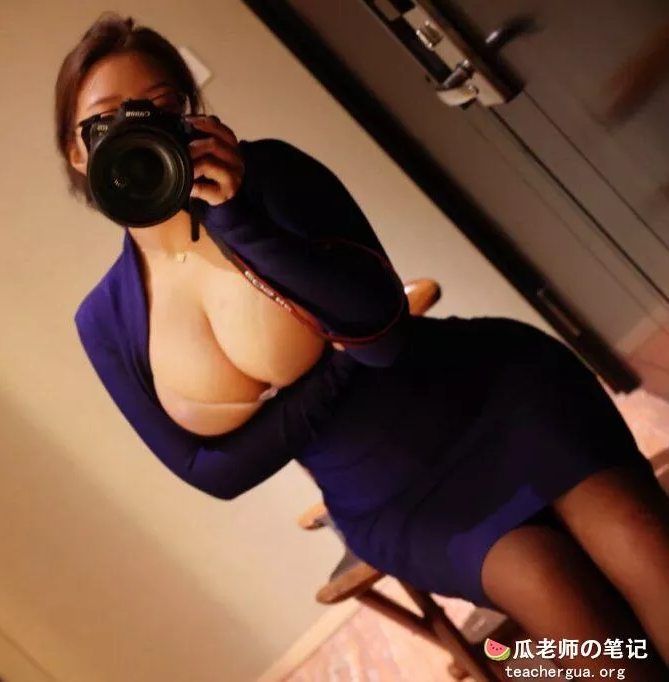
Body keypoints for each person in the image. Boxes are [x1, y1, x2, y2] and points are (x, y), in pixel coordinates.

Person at [55, 14, 669, 676]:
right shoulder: (104, 321)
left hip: (497, 396)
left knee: (641, 547)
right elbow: (213, 472)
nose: (138, 127)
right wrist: (335, 360)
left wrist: (237, 217)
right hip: (395, 502)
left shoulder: (269, 174)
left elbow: (381, 336)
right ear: (77, 152)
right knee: (578, 627)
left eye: (160, 105)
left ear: (189, 111)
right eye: (107, 118)